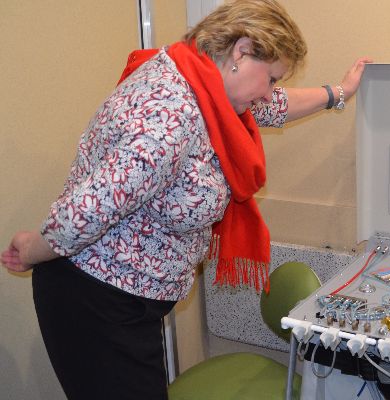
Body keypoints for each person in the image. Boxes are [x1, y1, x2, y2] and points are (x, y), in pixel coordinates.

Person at [1, 1, 371, 399]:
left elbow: (274, 108)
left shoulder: (201, 83)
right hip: (95, 301)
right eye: (271, 78)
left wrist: (338, 92)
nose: (269, 94)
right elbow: (85, 213)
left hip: (130, 299)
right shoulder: (170, 112)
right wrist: (31, 252)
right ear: (241, 51)